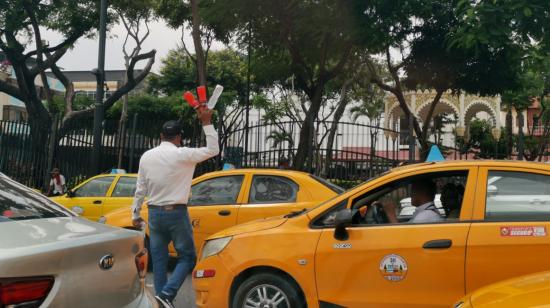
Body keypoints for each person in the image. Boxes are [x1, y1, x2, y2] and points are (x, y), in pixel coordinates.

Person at [131, 108, 219, 308]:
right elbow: (213, 150)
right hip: (176, 213)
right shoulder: (183, 154)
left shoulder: (147, 156)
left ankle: (161, 300)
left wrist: (135, 214)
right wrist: (207, 122)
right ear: (179, 137)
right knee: (188, 257)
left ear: (161, 136)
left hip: (154, 213)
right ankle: (168, 294)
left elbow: (140, 188)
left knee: (160, 261)